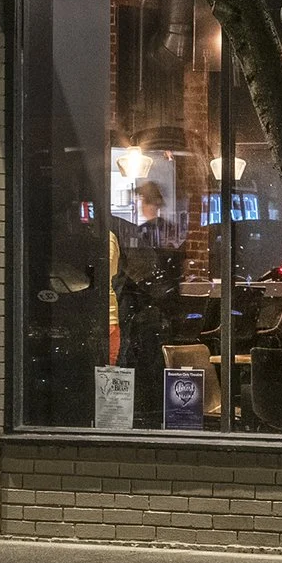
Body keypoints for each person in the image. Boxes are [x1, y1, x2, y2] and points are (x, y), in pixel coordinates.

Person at [109, 178, 181, 425]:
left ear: (144, 200)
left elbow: (139, 272)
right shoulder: (170, 230)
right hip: (162, 309)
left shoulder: (141, 233)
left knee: (133, 356)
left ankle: (135, 411)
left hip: (141, 309)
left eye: (139, 198)